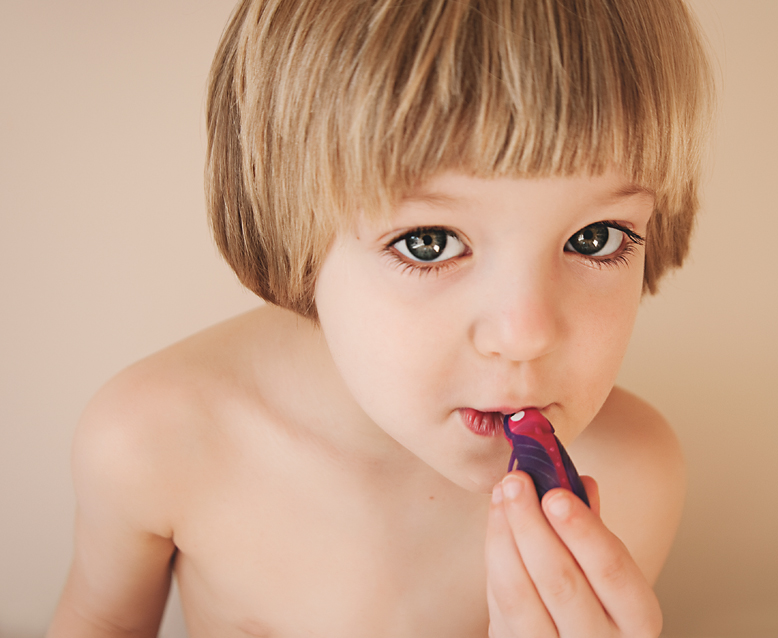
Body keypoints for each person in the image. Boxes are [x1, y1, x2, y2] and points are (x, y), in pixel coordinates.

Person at [48, 0, 713, 635]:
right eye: (429, 241)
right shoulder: (155, 441)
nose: (525, 336)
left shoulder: (631, 475)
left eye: (595, 237)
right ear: (291, 226)